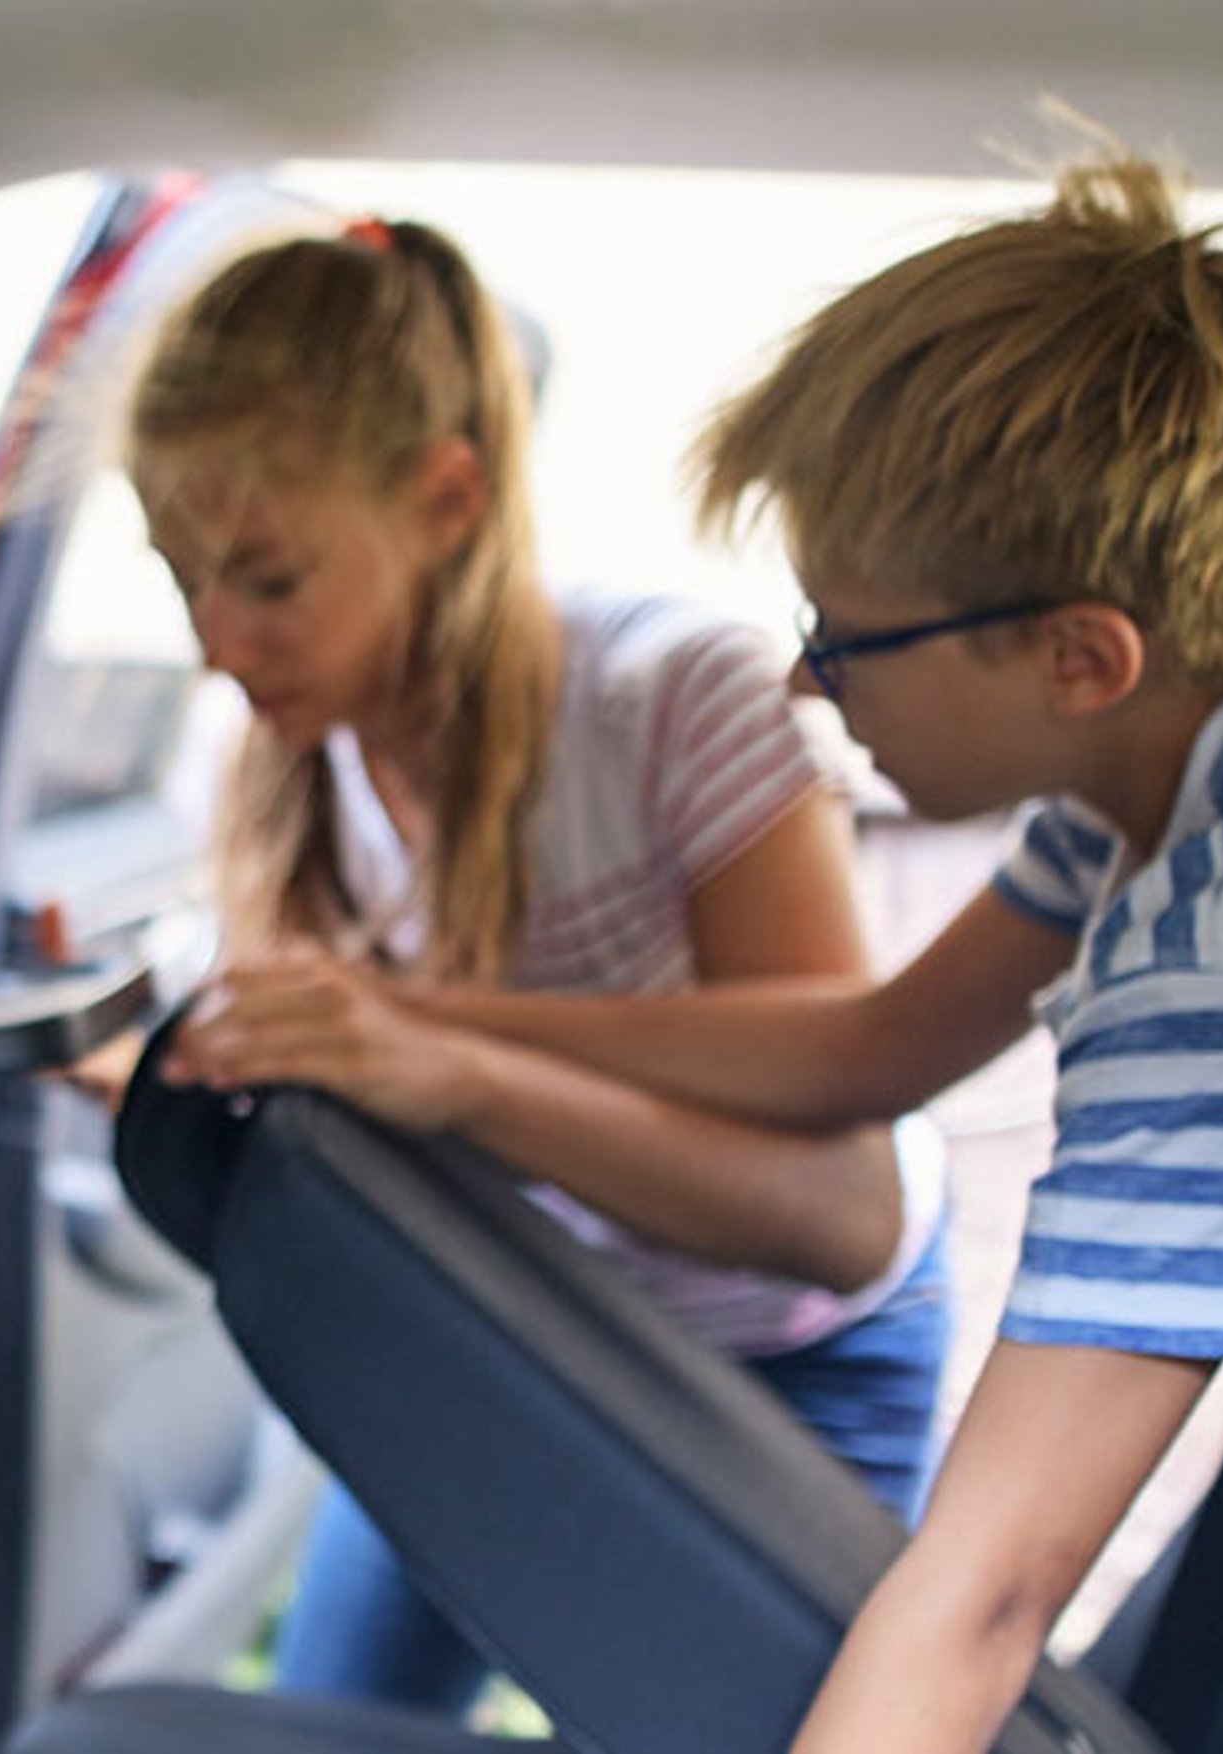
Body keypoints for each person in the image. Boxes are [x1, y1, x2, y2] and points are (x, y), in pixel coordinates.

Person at [395, 143, 1223, 1752]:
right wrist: (438, 1033)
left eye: (843, 639)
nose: (806, 688)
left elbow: (991, 1591)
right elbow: (873, 1047)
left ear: (1082, 655)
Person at [117, 218, 950, 1720]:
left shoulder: (673, 701)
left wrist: (458, 1071)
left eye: (268, 578)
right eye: (183, 582)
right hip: (527, 1325)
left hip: (789, 1372)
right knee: (332, 1712)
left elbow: (842, 1213)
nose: (219, 645)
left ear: (448, 498)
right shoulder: (285, 771)